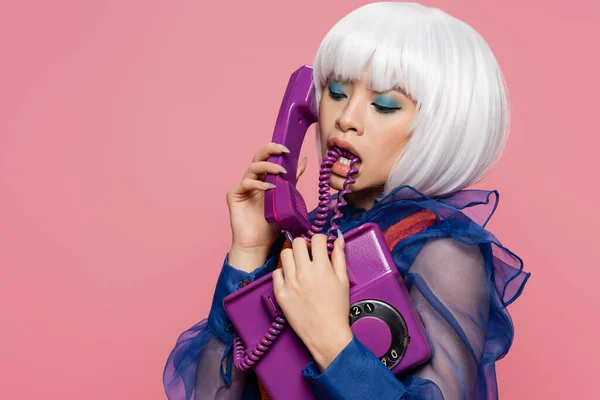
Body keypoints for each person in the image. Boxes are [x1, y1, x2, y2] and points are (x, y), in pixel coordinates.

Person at [163, 2, 530, 399]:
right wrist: (249, 252)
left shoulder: (441, 249)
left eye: (384, 105)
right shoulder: (311, 236)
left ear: (442, 128)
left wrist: (331, 339)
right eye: (335, 93)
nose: (346, 118)